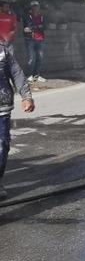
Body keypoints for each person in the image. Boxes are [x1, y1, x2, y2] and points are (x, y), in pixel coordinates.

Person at [0, 18, 35, 198]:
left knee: (1, 145)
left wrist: (26, 96)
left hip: (2, 107)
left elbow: (17, 73)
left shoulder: (3, 51)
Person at [23, 0, 46, 83]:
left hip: (40, 39)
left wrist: (35, 27)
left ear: (39, 7)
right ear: (31, 7)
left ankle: (36, 75)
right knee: (31, 58)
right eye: (34, 6)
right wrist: (38, 26)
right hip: (30, 39)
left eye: (37, 6)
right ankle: (29, 76)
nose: (35, 8)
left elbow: (45, 26)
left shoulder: (41, 16)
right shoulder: (27, 16)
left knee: (40, 58)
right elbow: (27, 27)